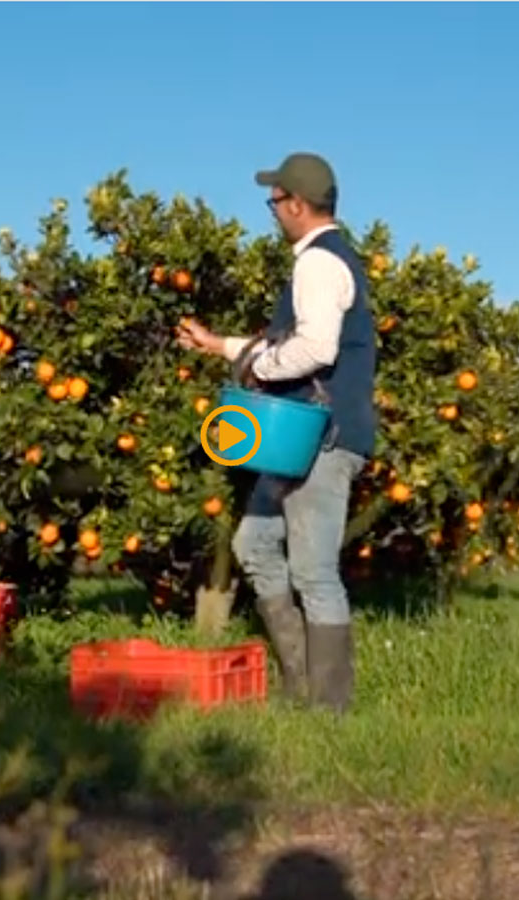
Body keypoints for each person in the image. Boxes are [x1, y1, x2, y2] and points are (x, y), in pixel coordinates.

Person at [177, 152, 376, 713]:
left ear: (295, 204)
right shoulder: (324, 262)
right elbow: (286, 342)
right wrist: (219, 345)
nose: (272, 211)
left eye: (274, 201)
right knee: (255, 544)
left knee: (313, 571)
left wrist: (256, 370)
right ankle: (299, 685)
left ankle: (329, 708)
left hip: (324, 437)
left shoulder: (317, 263)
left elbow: (314, 349)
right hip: (299, 440)